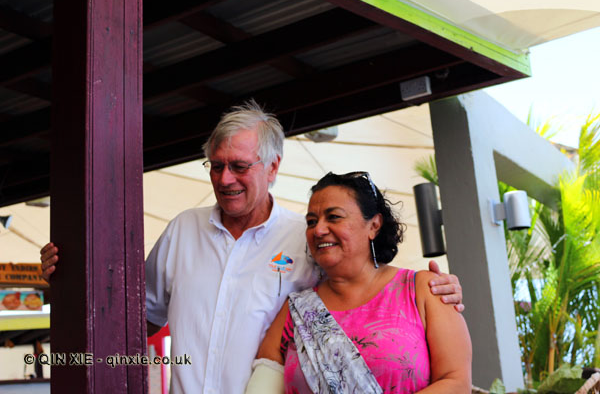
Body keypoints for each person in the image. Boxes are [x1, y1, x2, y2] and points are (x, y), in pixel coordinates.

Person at [40, 100, 464, 393]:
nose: (225, 179)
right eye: (217, 165)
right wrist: (72, 282)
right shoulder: (182, 231)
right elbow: (135, 323)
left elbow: (364, 291)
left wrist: (441, 292)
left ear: (273, 166)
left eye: (240, 166)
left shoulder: (307, 240)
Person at [249, 172, 471, 393]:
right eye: (311, 222)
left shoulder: (423, 289)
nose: (318, 230)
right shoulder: (296, 310)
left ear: (374, 225)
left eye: (334, 216)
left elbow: (456, 382)